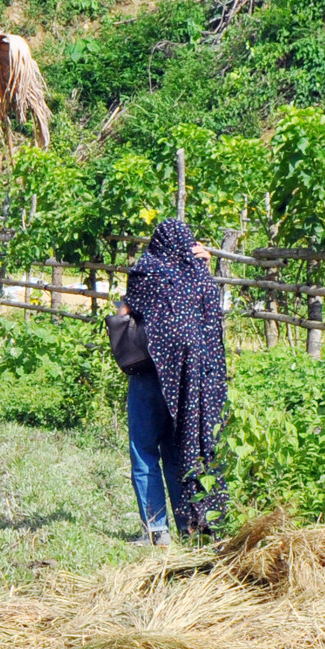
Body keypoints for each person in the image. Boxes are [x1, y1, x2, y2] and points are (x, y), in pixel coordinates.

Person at [116, 218, 229, 543]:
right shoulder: (201, 279)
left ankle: (156, 530)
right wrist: (203, 267)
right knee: (180, 449)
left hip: (151, 375)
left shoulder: (146, 272)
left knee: (144, 449)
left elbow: (126, 311)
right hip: (189, 382)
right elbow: (210, 326)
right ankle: (189, 527)